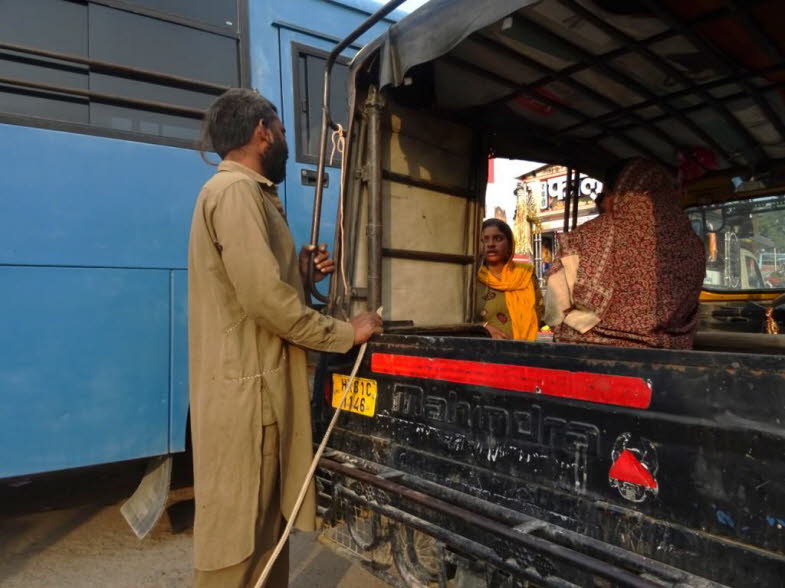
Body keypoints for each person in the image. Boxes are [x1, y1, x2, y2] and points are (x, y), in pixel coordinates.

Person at [187, 88, 382, 588]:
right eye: (281, 130)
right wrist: (346, 333)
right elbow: (264, 301)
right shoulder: (235, 193)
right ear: (262, 132)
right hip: (250, 401)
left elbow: (254, 290)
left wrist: (299, 274)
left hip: (257, 394)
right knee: (238, 545)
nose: (285, 142)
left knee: (265, 539)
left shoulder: (246, 193)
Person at [544, 158, 706, 349]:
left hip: (592, 355)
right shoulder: (693, 243)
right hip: (672, 355)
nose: (602, 202)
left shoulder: (587, 237)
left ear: (617, 192)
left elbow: (555, 311)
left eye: (604, 195)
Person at [476, 218, 541, 340]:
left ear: (510, 245)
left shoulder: (525, 275)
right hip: (482, 349)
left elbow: (539, 311)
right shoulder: (473, 279)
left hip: (525, 348)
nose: (490, 244)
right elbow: (460, 319)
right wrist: (483, 327)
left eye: (498, 239)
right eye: (484, 240)